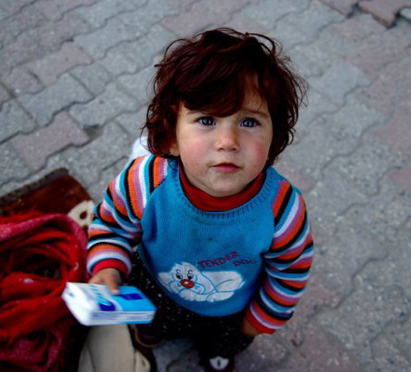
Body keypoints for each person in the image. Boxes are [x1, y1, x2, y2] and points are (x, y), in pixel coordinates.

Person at [86, 28, 313, 372]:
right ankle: (151, 330)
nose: (227, 141)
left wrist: (261, 319)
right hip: (153, 286)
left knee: (224, 340)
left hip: (229, 310)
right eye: (206, 120)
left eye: (249, 121)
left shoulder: (282, 209)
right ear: (171, 135)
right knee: (151, 321)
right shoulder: (145, 183)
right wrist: (106, 266)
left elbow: (291, 270)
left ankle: (218, 353)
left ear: (275, 139)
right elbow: (111, 226)